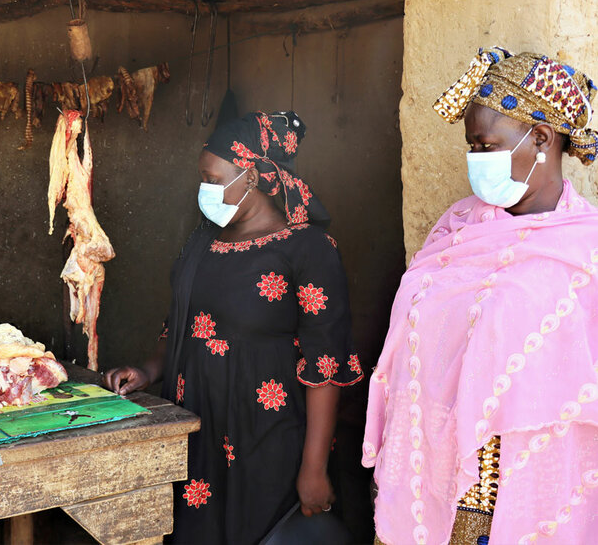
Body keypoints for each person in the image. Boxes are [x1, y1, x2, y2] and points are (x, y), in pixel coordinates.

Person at [363, 47, 598, 545]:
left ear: (541, 138)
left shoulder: (586, 251)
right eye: (471, 146)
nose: (475, 161)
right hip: (426, 477)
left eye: (486, 145)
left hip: (512, 492)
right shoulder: (458, 226)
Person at [104, 112, 363, 544]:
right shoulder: (203, 240)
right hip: (195, 426)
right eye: (200, 178)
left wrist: (313, 468)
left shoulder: (308, 249)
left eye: (212, 177)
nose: (203, 189)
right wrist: (150, 371)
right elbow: (183, 322)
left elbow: (327, 365)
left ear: (252, 176)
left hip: (267, 436)